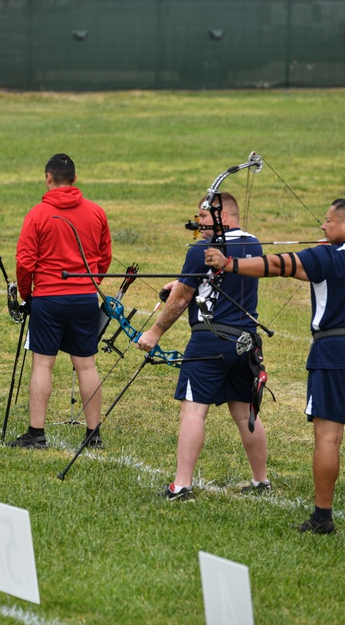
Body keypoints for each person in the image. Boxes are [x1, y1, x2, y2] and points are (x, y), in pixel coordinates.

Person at [204, 198, 345, 533]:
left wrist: (229, 263)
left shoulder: (325, 256)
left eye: (328, 220)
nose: (322, 226)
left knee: (328, 438)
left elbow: (274, 265)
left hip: (334, 354)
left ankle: (322, 518)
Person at [137, 192, 270, 502]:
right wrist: (184, 282)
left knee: (193, 412)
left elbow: (183, 297)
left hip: (209, 341)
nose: (199, 224)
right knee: (244, 412)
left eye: (205, 217)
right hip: (245, 343)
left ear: (223, 216)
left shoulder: (203, 249)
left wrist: (155, 332)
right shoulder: (254, 244)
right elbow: (216, 280)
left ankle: (181, 486)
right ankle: (261, 481)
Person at [9, 153, 110, 449]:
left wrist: (27, 295)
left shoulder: (37, 214)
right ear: (75, 179)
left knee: (43, 364)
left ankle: (36, 433)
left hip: (49, 299)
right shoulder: (96, 212)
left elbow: (25, 262)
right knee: (87, 366)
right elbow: (104, 258)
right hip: (84, 298)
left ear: (48, 178)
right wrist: (91, 283)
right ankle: (93, 434)